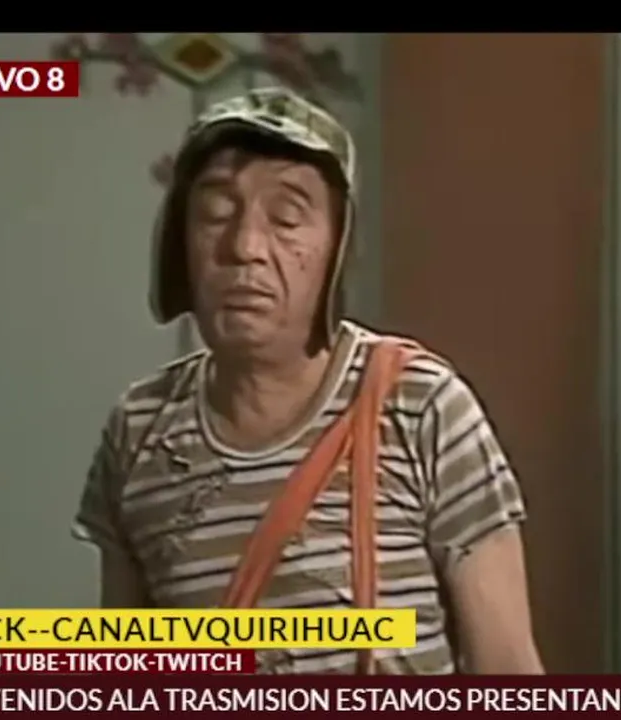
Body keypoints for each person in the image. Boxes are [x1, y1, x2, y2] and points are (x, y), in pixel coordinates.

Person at [73, 87, 542, 675]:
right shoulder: (140, 429)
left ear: (336, 251)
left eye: (287, 218)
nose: (244, 247)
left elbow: (507, 668)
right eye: (215, 214)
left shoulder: (422, 405)